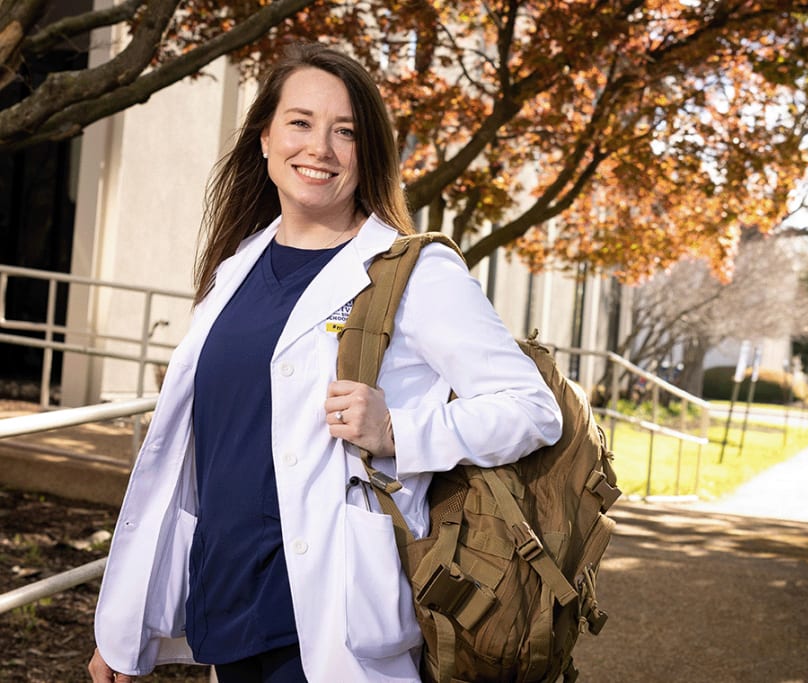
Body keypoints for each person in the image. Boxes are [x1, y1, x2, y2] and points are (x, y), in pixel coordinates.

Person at [87, 42, 562, 683]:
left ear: (369, 155)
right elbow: (184, 464)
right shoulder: (236, 268)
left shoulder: (414, 272)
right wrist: (127, 628)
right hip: (228, 606)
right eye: (301, 123)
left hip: (329, 621)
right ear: (264, 137)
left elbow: (534, 410)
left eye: (346, 132)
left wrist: (399, 432)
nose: (321, 149)